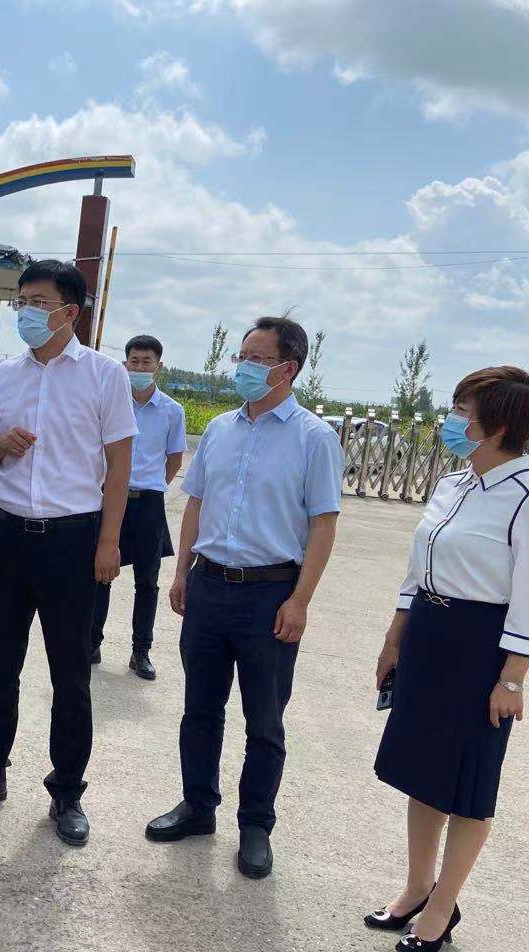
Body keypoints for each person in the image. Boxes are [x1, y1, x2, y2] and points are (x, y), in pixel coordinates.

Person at [367, 366, 529, 952]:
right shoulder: (452, 484)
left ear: (497, 425)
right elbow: (416, 570)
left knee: (469, 782)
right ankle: (416, 887)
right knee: (424, 772)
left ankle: (443, 906)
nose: (450, 420)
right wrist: (395, 638)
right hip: (428, 636)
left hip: (480, 651)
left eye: (461, 411)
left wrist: (512, 680)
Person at [0, 260, 136, 847]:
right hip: (8, 535)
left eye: (39, 302)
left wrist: (109, 542)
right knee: (0, 662)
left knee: (70, 672)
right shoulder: (4, 375)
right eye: (21, 301)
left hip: (73, 541)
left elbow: (119, 466)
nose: (26, 311)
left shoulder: (104, 375)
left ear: (69, 311)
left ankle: (67, 791)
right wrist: (0, 444)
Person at [145, 316, 342, 880]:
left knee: (265, 720)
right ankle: (197, 806)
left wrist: (300, 600)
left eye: (258, 359)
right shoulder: (220, 430)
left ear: (289, 368)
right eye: (243, 356)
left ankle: (256, 825)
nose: (245, 368)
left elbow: (323, 525)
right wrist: (182, 572)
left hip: (270, 594)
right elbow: (195, 503)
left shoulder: (314, 438)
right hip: (209, 587)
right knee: (200, 710)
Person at [90, 334, 186, 679]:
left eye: (147, 362)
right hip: (108, 500)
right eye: (134, 361)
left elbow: (174, 460)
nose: (140, 368)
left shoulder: (172, 411)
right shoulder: (110, 404)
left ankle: (140, 652)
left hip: (148, 505)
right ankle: (92, 643)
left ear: (159, 367)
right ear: (124, 364)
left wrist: (152, 485)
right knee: (100, 575)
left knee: (147, 583)